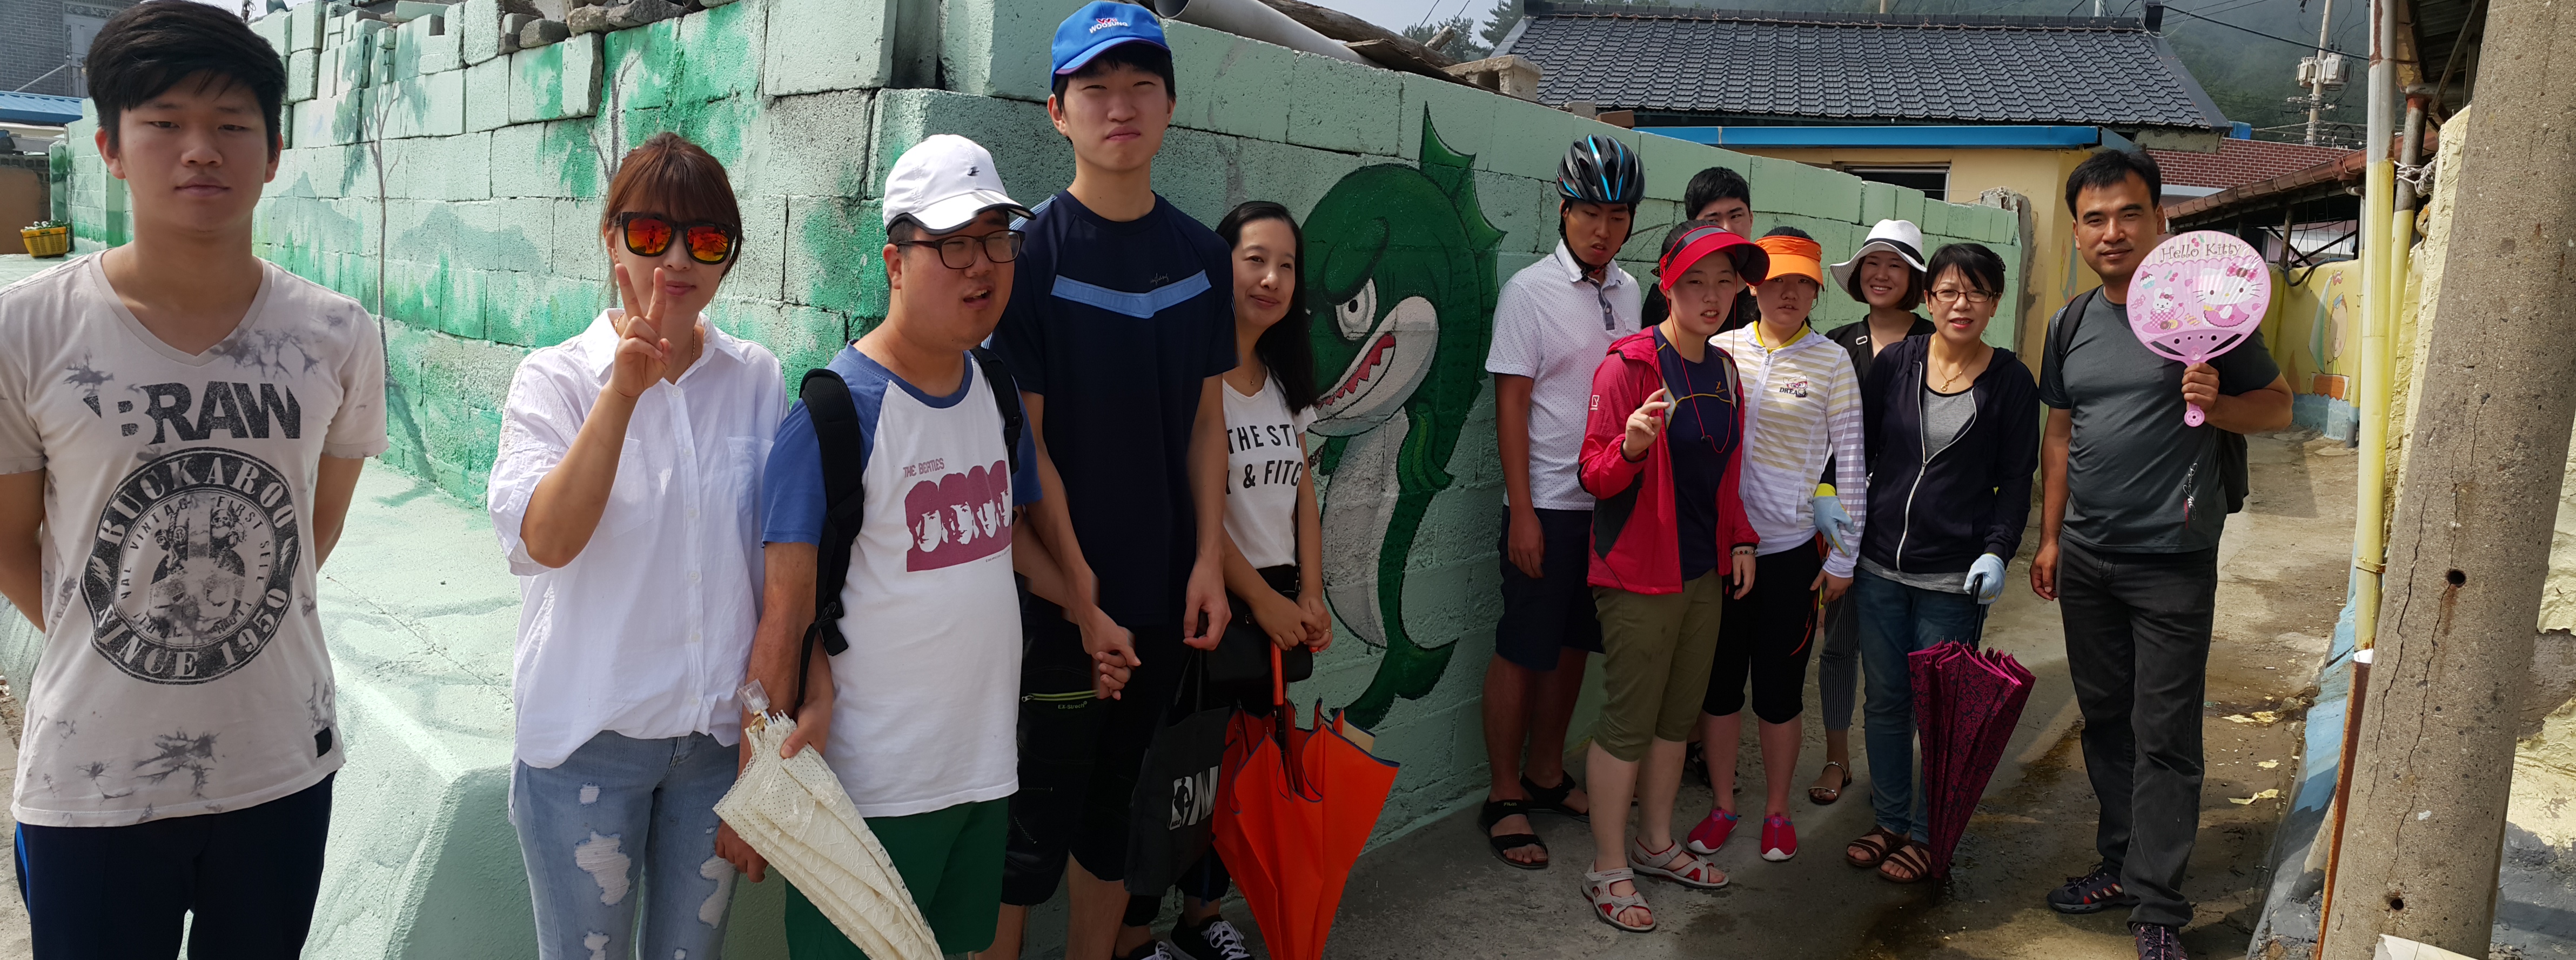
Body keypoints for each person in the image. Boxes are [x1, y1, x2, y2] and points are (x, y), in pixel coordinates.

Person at [0, 4, 384, 956]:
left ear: (274, 153)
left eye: (232, 125)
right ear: (110, 148)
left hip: (278, 764)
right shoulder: (28, 331)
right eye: (164, 122)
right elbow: (8, 542)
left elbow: (312, 530)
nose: (200, 150)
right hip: (90, 775)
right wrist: (120, 622)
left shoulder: (337, 335)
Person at [732, 134, 1042, 959]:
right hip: (871, 792)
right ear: (895, 263)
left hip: (983, 769)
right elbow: (784, 615)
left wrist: (1089, 607)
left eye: (997, 241)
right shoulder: (834, 419)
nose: (982, 267)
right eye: (954, 245)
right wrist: (759, 787)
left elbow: (1001, 540)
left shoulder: (996, 390)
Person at [984, 7, 1238, 959]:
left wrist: (1207, 561)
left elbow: (1206, 424)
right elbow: (1029, 450)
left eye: (1140, 87)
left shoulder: (1203, 258)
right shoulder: (1029, 257)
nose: (1119, 106)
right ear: (1058, 112)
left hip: (1165, 595)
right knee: (1023, 839)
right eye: (1094, 88)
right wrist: (1081, 601)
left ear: (1170, 107)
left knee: (1113, 822)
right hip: (1052, 603)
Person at [489, 131, 779, 959]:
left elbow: (772, 567)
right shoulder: (555, 380)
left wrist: (764, 736)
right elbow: (548, 540)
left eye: (706, 240)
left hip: (714, 750)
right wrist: (621, 393)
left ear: (728, 257)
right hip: (589, 747)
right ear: (611, 239)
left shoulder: (757, 378)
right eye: (651, 233)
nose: (677, 260)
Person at [2030, 149, 2290, 960]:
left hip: (2173, 558)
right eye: (2095, 219)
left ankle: (2157, 908)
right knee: (2106, 720)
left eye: (2129, 213)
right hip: (2087, 556)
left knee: (2165, 734)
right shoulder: (2070, 323)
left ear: (2159, 219)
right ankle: (2120, 864)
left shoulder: (2204, 312)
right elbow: (2061, 434)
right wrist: (2050, 537)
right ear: (2077, 233)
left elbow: (2278, 408)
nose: (2112, 232)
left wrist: (2219, 405)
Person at [1124, 200, 1338, 960]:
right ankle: (1133, 934)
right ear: (1222, 265)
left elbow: (1303, 493)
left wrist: (1311, 594)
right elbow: (1198, 511)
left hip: (1275, 604)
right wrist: (1264, 601)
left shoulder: (1283, 379)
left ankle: (1203, 915)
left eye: (1286, 265)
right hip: (1212, 600)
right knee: (1176, 772)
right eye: (1255, 260)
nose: (1272, 278)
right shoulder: (1198, 376)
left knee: (1238, 775)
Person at [1572, 221, 1764, 933]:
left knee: (1675, 720)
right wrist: (1629, 448)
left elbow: (1728, 472)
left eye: (1725, 283)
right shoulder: (1628, 366)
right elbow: (1592, 476)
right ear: (1666, 284)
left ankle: (1655, 845)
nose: (1712, 297)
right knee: (1628, 721)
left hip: (1702, 572)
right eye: (1695, 282)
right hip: (1637, 573)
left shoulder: (1725, 372)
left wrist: (1740, 540)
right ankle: (1607, 866)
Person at [1839, 242, 2038, 885]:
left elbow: (2016, 479)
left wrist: (1997, 550)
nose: (1961, 304)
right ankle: (1891, 820)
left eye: (1976, 292)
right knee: (1885, 701)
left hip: (1953, 578)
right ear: (1927, 298)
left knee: (1941, 713)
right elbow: (1858, 448)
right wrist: (1828, 499)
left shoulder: (2010, 380)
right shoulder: (1896, 362)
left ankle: (1928, 834)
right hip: (1879, 568)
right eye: (1948, 291)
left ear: (1994, 304)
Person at [1475, 134, 1645, 870]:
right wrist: (1522, 511)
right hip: (1544, 504)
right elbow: (1510, 407)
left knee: (1576, 647)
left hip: (1605, 507)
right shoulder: (1529, 292)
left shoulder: (1629, 291)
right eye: (1588, 213)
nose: (1602, 230)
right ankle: (1503, 794)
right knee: (1522, 649)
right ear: (1563, 208)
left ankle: (1546, 773)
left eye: (1617, 216)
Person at [1689, 226, 1866, 865]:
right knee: (1718, 692)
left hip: (1791, 554)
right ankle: (1722, 805)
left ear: (1816, 292)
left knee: (1779, 693)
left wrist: (1842, 557)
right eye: (1775, 280)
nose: (1787, 293)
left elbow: (1851, 463)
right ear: (1752, 286)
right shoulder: (1721, 349)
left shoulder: (1831, 361)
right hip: (1720, 554)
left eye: (1802, 282)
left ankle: (1776, 811)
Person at [1809, 217, 1936, 807]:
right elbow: (1819, 438)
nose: (1881, 275)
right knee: (1840, 643)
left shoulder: (1936, 343)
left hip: (1909, 522)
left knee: (1902, 657)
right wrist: (1823, 497)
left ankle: (1892, 765)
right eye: (1872, 264)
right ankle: (1837, 757)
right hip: (1841, 516)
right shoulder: (1835, 344)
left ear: (1914, 280)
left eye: (1895, 266)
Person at [1640, 166, 1758, 331]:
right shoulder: (1668, 295)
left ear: (1751, 219)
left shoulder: (1767, 296)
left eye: (1736, 216)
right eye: (1713, 220)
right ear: (1693, 226)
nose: (1727, 229)